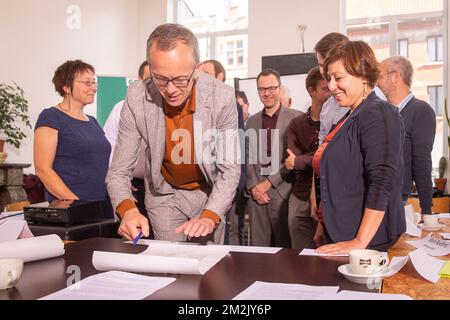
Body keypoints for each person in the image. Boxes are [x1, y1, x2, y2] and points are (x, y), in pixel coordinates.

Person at [106, 24, 240, 244]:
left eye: (180, 79)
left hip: (209, 192)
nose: (170, 89)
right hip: (164, 194)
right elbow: (119, 171)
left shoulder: (222, 97)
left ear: (196, 69)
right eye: (160, 78)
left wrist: (210, 215)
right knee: (170, 265)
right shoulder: (136, 97)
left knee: (207, 266)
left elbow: (229, 170)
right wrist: (128, 209)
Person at [313, 41, 405, 254]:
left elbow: (381, 179)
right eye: (329, 78)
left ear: (363, 76)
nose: (331, 86)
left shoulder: (378, 113)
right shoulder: (351, 116)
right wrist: (323, 223)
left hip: (367, 240)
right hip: (342, 231)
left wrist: (360, 241)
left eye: (338, 78)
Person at [34, 60, 113, 217]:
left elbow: (98, 162)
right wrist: (75, 204)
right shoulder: (51, 117)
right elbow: (43, 169)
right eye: (87, 83)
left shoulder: (92, 121)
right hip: (73, 210)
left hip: (102, 205)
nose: (94, 88)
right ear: (66, 87)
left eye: (94, 82)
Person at [245, 68, 300, 247]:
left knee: (285, 251)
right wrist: (254, 186)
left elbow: (293, 160)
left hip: (283, 193)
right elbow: (247, 158)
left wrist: (267, 184)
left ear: (279, 88)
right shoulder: (251, 122)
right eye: (262, 89)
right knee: (258, 251)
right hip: (256, 198)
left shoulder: (296, 118)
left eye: (271, 88)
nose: (267, 93)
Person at [377, 56, 436, 214]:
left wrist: (426, 208)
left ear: (395, 76)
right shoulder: (383, 112)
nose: (376, 82)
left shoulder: (421, 111)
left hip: (395, 201)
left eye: (380, 76)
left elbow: (422, 161)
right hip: (375, 198)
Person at [200, 59, 246, 245]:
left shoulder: (230, 104)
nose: (201, 80)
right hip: (200, 187)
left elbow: (238, 146)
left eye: (206, 75)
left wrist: (235, 186)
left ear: (220, 77)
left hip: (224, 183)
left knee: (223, 238)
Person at [284, 66, 330, 249]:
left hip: (327, 198)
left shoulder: (338, 121)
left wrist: (301, 160)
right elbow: (290, 161)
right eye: (325, 88)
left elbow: (329, 158)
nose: (331, 92)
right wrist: (300, 161)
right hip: (300, 195)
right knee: (298, 255)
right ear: (311, 91)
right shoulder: (296, 124)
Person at [103, 61, 151, 217]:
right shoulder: (122, 107)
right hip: (135, 184)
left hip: (165, 187)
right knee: (138, 234)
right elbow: (110, 144)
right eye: (149, 78)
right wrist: (122, 181)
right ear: (139, 79)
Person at [315, 33, 350, 145]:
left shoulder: (369, 102)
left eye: (326, 65)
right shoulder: (326, 107)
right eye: (321, 65)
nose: (324, 71)